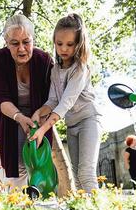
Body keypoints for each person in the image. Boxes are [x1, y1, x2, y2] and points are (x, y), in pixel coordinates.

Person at [29, 13, 102, 192]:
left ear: (79, 44)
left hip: (88, 121)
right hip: (72, 126)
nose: (64, 49)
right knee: (77, 179)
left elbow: (65, 103)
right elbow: (53, 100)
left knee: (86, 173)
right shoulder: (55, 70)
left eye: (70, 44)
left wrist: (43, 129)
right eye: (59, 43)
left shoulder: (80, 69)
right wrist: (40, 112)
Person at [0, 14, 53, 188]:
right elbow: (1, 99)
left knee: (38, 166)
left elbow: (53, 98)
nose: (22, 49)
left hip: (40, 117)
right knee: (17, 170)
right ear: (6, 43)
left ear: (33, 39)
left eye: (26, 41)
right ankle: (17, 209)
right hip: (11, 118)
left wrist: (39, 120)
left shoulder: (44, 60)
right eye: (15, 43)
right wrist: (19, 117)